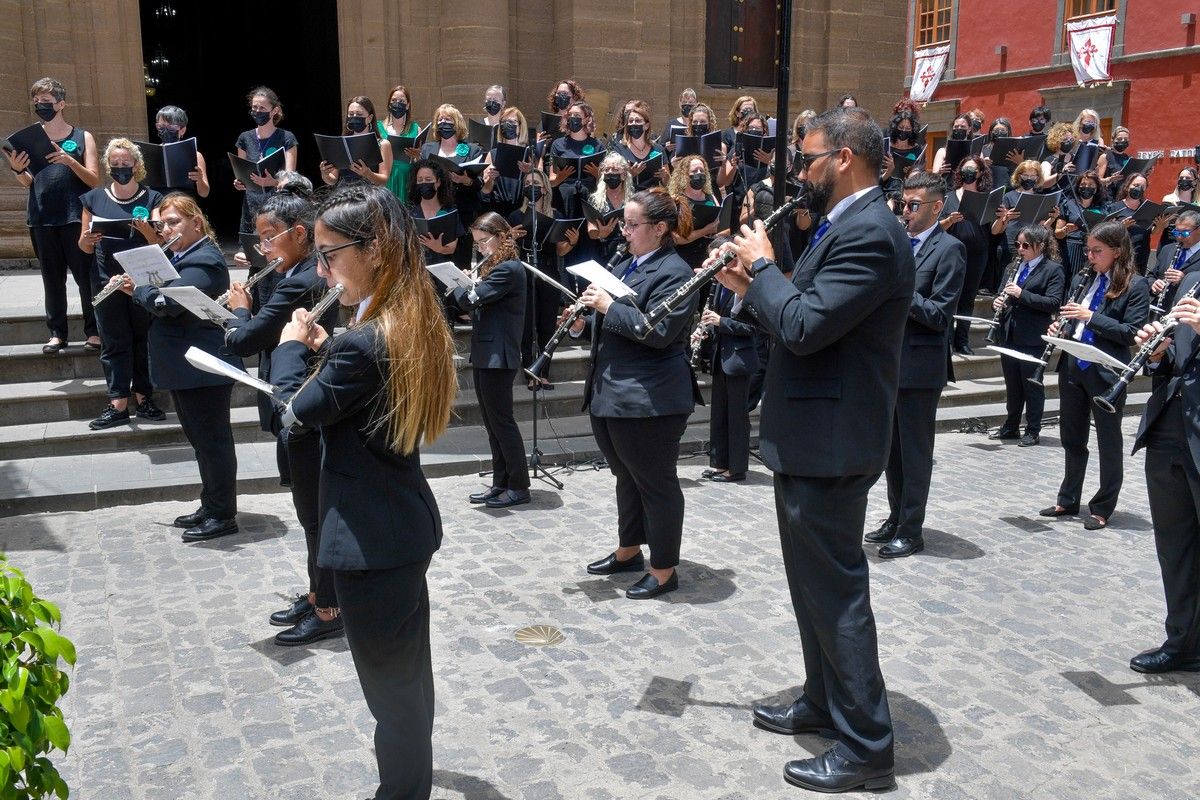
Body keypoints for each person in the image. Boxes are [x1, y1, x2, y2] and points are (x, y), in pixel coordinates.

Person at [718, 107, 906, 793]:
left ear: (847, 158)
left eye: (809, 157)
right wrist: (750, 286)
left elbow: (803, 324)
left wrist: (766, 268)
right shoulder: (847, 226)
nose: (801, 171)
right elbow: (805, 315)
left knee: (836, 595)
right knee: (810, 590)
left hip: (833, 442)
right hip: (810, 438)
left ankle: (866, 749)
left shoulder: (874, 234)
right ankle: (824, 701)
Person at [273, 184, 456, 800]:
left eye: (329, 254)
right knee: (410, 681)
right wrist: (328, 350)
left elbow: (294, 414)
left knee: (393, 696)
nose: (321, 269)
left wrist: (289, 352)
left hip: (373, 544)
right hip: (399, 526)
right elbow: (362, 386)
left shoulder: (365, 338)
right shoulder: (403, 315)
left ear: (375, 250)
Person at [223, 185, 342, 646]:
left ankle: (329, 606)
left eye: (270, 238)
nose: (263, 249)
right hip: (295, 404)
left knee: (315, 514)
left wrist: (237, 311)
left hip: (305, 406)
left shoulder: (302, 281)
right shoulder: (289, 274)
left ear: (299, 234)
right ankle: (317, 594)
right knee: (308, 510)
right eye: (259, 241)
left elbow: (247, 337)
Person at [571, 188, 700, 600]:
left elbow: (657, 331)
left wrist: (609, 307)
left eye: (631, 225)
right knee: (625, 476)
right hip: (612, 391)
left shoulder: (677, 272)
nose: (623, 232)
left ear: (659, 228)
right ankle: (629, 550)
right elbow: (616, 323)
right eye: (623, 224)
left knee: (656, 484)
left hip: (650, 399)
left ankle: (664, 568)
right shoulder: (626, 265)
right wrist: (581, 321)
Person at [126, 194, 241, 542]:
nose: (166, 230)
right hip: (186, 367)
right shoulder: (179, 256)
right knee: (200, 441)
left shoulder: (204, 260)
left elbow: (169, 304)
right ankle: (211, 503)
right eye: (162, 225)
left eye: (174, 222)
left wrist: (139, 288)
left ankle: (223, 515)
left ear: (196, 222)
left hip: (203, 366)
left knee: (213, 442)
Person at [867, 172, 966, 559]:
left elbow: (941, 314)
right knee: (892, 450)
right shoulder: (899, 246)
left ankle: (912, 529)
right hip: (888, 362)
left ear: (937, 207)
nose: (905, 212)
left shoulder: (949, 249)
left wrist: (899, 288)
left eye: (913, 206)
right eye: (902, 205)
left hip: (921, 368)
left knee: (915, 451)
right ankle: (895, 516)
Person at [1040, 221, 1149, 529]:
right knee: (1071, 436)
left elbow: (1131, 333)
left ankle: (1102, 506)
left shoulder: (1136, 285)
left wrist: (1090, 317)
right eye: (1087, 250)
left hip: (1107, 372)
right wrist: (1061, 329)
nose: (1089, 256)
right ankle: (1068, 498)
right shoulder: (1083, 278)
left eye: (1097, 251)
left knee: (1108, 442)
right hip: (1074, 366)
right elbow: (1074, 321)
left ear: (1117, 251)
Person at [1128, 283, 1200, 674]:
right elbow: (1180, 360)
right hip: (1172, 431)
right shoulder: (1194, 281)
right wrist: (1158, 353)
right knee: (1176, 549)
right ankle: (1184, 644)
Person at [4, 77, 102, 354]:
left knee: (86, 278)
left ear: (61, 104)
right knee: (52, 278)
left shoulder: (82, 137)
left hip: (75, 216)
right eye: (36, 102)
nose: (40, 106)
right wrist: (16, 169)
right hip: (41, 217)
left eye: (46, 102)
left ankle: (93, 331)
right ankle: (57, 333)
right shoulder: (30, 139)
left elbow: (94, 180)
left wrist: (70, 160)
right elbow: (28, 182)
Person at [79, 138, 166, 430]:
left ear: (137, 166)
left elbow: (160, 242)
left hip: (141, 278)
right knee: (114, 340)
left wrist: (147, 231)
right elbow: (84, 247)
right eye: (114, 165)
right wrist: (87, 240)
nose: (120, 169)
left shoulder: (152, 198)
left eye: (125, 164)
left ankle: (144, 399)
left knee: (143, 339)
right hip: (107, 280)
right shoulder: (93, 198)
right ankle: (117, 403)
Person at [448, 213, 530, 509]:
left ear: (501, 237)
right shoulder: (495, 268)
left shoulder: (507, 269)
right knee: (492, 423)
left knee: (502, 422)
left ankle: (519, 485)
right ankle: (500, 481)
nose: (481, 247)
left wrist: (462, 283)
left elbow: (469, 300)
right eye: (478, 243)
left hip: (499, 355)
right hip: (486, 352)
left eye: (485, 241)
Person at [988, 224, 1066, 446]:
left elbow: (1053, 302)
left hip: (1033, 336)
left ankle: (1033, 429)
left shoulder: (1053, 269)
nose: (1020, 250)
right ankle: (1011, 426)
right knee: (1013, 385)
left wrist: (1022, 294)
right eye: (1018, 245)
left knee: (1032, 385)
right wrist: (996, 303)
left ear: (1040, 246)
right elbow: (1001, 294)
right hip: (1009, 333)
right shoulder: (1012, 267)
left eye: (1025, 245)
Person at [694, 235, 757, 483]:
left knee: (736, 417)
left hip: (739, 360)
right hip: (722, 355)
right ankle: (720, 463)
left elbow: (755, 328)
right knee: (719, 413)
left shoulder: (748, 283)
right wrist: (706, 330)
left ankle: (737, 468)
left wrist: (722, 322)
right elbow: (717, 320)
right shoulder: (719, 285)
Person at [942, 155, 993, 355]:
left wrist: (1002, 218)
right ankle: (945, 338)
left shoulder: (987, 197)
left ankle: (962, 340)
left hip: (977, 253)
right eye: (965, 168)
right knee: (949, 295)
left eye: (973, 169)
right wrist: (950, 220)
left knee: (968, 298)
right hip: (952, 252)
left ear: (980, 173)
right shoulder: (948, 196)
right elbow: (940, 227)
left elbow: (995, 231)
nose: (969, 173)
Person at [234, 86, 298, 234]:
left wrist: (273, 182)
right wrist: (239, 182)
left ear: (274, 110)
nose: (257, 111)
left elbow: (290, 177)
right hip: (251, 203)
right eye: (254, 107)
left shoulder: (287, 138)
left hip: (277, 203)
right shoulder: (245, 138)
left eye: (262, 108)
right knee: (249, 249)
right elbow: (240, 170)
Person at [319, 96, 394, 188]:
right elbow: (332, 180)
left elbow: (384, 179)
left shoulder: (383, 144)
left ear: (370, 118)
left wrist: (368, 174)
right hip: (346, 196)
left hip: (369, 196)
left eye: (359, 114)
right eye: (351, 114)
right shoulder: (342, 143)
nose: (354, 117)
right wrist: (325, 174)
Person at [549, 100, 604, 219]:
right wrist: (560, 177)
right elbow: (551, 180)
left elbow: (605, 180)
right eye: (570, 115)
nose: (573, 118)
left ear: (586, 119)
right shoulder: (558, 144)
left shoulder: (597, 145)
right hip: (564, 199)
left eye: (577, 115)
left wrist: (597, 174)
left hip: (589, 197)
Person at [1109, 172, 1170, 274]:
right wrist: (1121, 226)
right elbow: (1107, 232)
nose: (1138, 189)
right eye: (1136, 185)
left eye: (1142, 186)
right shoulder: (1115, 207)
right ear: (1127, 186)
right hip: (1121, 255)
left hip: (1141, 255)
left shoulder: (1148, 208)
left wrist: (1160, 225)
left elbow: (1153, 232)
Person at [668, 155, 721, 269]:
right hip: (686, 258)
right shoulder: (677, 200)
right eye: (694, 171)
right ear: (684, 175)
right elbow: (676, 238)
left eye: (702, 170)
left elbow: (722, 224)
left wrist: (718, 231)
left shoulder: (710, 196)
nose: (699, 173)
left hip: (709, 255)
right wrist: (706, 230)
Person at [1055, 169, 1108, 275]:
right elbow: (1057, 233)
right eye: (1083, 184)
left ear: (1096, 188)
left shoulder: (1103, 208)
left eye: (1091, 184)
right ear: (1078, 187)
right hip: (1071, 248)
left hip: (1093, 250)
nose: (1087, 187)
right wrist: (1066, 230)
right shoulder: (1068, 204)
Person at [151, 106, 210, 197]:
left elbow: (204, 193)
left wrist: (199, 179)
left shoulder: (195, 155)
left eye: (171, 127)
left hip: (183, 204)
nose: (165, 130)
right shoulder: (151, 153)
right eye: (161, 126)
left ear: (182, 130)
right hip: (157, 204)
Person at [1148, 211, 1200, 314]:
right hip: (1158, 310)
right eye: (1176, 233)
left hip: (1187, 315)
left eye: (1185, 233)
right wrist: (1153, 283)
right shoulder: (1167, 249)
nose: (1179, 237)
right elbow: (1151, 276)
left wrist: (1184, 281)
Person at [610, 100, 668, 190]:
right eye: (631, 121)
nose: (634, 123)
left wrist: (665, 176)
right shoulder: (619, 150)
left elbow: (667, 183)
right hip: (630, 197)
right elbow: (614, 183)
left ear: (646, 126)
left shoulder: (658, 149)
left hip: (652, 197)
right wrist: (631, 175)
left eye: (637, 121)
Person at [379, 85, 422, 200]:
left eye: (402, 101)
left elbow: (421, 162)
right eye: (394, 100)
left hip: (406, 179)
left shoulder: (415, 128)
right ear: (389, 104)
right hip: (385, 178)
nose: (397, 103)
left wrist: (417, 156)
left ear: (407, 105)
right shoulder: (378, 128)